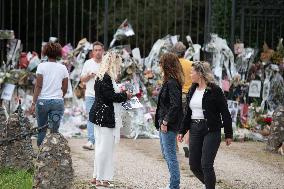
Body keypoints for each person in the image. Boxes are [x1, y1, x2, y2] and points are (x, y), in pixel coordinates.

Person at [177, 61, 233, 189]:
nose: (190, 75)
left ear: (200, 73)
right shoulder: (192, 89)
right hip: (195, 128)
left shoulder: (215, 90)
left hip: (211, 130)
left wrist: (229, 134)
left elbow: (225, 113)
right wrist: (182, 130)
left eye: (192, 72)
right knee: (194, 165)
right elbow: (188, 113)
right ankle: (210, 185)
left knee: (206, 164)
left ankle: (209, 187)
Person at [89, 51, 132, 188]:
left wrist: (120, 91)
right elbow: (110, 97)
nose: (119, 68)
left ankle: (97, 176)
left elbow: (108, 94)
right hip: (105, 116)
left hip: (100, 115)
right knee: (105, 148)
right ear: (113, 63)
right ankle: (102, 178)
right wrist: (125, 95)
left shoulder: (102, 76)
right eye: (118, 64)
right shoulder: (106, 77)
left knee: (100, 147)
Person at [30, 42, 69, 146]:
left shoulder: (41, 66)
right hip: (57, 102)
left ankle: (40, 155)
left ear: (46, 52)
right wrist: (60, 96)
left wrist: (33, 103)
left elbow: (38, 86)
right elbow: (65, 87)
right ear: (59, 53)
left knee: (42, 129)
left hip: (42, 102)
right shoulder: (63, 68)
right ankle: (52, 153)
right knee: (54, 131)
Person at [155, 52, 184, 189]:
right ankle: (173, 183)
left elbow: (175, 105)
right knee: (167, 154)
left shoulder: (172, 83)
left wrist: (165, 121)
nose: (159, 66)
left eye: (161, 63)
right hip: (164, 122)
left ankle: (174, 185)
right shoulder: (169, 81)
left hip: (169, 124)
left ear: (166, 65)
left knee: (170, 155)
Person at [80, 41, 104, 150]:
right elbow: (82, 79)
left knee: (102, 118)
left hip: (104, 95)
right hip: (90, 95)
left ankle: (101, 141)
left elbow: (115, 78)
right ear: (92, 52)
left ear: (103, 51)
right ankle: (90, 141)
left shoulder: (106, 63)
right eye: (96, 50)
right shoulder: (88, 63)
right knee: (91, 118)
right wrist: (89, 76)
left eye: (100, 50)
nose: (98, 52)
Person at [172, 41, 192, 158]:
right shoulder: (191, 64)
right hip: (189, 95)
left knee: (174, 120)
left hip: (176, 95)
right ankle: (186, 144)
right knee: (188, 120)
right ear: (185, 52)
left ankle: (175, 146)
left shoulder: (173, 64)